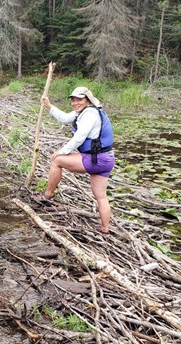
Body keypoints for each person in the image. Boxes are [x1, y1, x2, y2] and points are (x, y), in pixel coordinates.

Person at [41, 86, 115, 234]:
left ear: (87, 100)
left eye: (79, 99)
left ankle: (47, 195)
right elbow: (64, 118)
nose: (75, 103)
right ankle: (105, 228)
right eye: (73, 100)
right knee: (101, 196)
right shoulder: (81, 112)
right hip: (106, 160)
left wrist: (61, 152)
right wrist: (49, 106)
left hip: (96, 159)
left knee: (57, 161)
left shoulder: (90, 114)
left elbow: (80, 137)